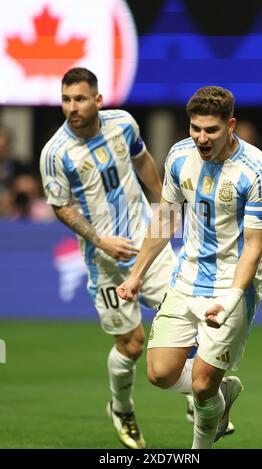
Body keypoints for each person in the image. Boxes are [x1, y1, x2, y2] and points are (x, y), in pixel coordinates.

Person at [117, 86, 262, 449]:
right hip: (186, 276)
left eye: (211, 130)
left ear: (230, 125)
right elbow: (166, 219)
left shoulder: (257, 172)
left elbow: (254, 246)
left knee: (203, 383)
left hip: (230, 282)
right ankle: (224, 392)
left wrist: (233, 299)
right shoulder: (178, 156)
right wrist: (137, 273)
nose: (201, 138)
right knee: (159, 373)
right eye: (195, 128)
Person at [39, 67, 176, 449]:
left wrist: (164, 201)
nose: (72, 107)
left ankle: (195, 399)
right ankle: (121, 408)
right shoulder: (55, 153)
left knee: (186, 317)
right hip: (106, 262)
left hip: (147, 243)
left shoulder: (123, 124)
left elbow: (144, 160)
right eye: (66, 99)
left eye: (80, 99)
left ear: (98, 100)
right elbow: (61, 206)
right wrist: (100, 240)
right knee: (132, 345)